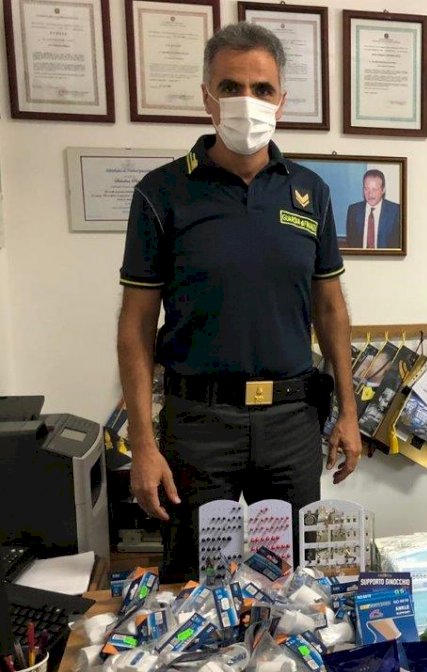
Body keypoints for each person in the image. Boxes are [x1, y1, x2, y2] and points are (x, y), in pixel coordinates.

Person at [117, 22, 361, 582]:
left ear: (281, 100)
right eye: (230, 87)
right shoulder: (161, 193)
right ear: (207, 97)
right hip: (199, 425)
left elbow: (331, 310)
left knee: (294, 584)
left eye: (262, 89)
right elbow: (135, 327)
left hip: (291, 422)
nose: (246, 101)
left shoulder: (311, 192)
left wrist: (349, 414)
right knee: (195, 585)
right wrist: (143, 444)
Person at [345, 169, 401, 249]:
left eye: (374, 189)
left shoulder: (396, 211)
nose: (370, 194)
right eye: (366, 189)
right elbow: (351, 243)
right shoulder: (353, 211)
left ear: (383, 190)